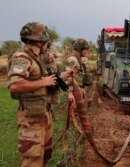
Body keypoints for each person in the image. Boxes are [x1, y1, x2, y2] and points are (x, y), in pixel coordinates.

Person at [7, 22, 72, 166]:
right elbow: (15, 85)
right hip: (30, 119)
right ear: (41, 41)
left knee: (45, 155)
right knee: (32, 159)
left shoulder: (38, 58)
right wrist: (43, 82)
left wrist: (62, 76)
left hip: (44, 114)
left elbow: (44, 79)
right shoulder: (22, 57)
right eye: (46, 41)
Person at [64, 38, 94, 106]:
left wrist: (81, 88)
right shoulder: (72, 59)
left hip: (78, 89)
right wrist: (70, 93)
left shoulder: (79, 59)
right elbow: (68, 76)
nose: (87, 51)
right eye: (85, 49)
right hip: (74, 91)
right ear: (80, 49)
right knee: (72, 112)